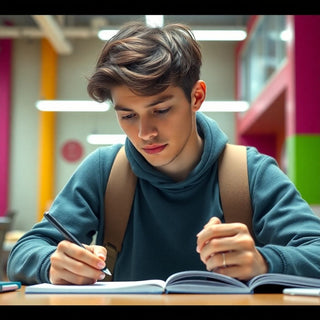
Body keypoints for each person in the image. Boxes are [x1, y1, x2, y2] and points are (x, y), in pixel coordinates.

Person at [7, 22, 320, 285]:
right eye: (128, 115)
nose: (145, 133)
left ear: (196, 97)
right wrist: (52, 264)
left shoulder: (252, 173)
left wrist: (265, 261)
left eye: (161, 109)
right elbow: (25, 250)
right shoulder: (103, 170)